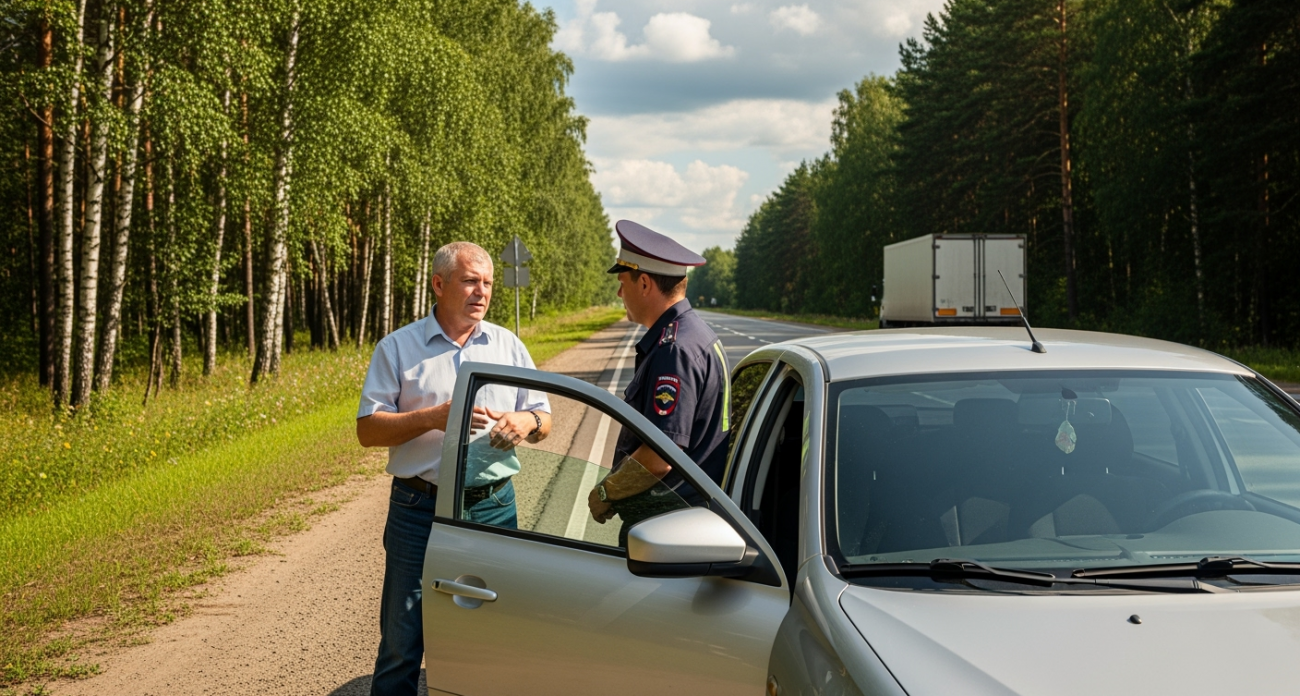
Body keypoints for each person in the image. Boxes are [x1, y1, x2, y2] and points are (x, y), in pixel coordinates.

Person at [356, 241, 551, 696]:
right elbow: (368, 430)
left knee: (489, 634)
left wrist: (526, 421)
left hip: (494, 507)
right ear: (439, 285)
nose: (481, 292)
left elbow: (545, 419)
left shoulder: (509, 345)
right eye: (469, 281)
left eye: (486, 283)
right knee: (403, 641)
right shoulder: (398, 348)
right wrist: (432, 417)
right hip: (417, 507)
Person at [587, 220, 730, 545]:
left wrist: (607, 491)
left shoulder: (674, 351)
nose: (619, 292)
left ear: (646, 284)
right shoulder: (694, 334)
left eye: (623, 282)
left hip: (667, 529)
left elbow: (660, 455)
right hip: (680, 522)